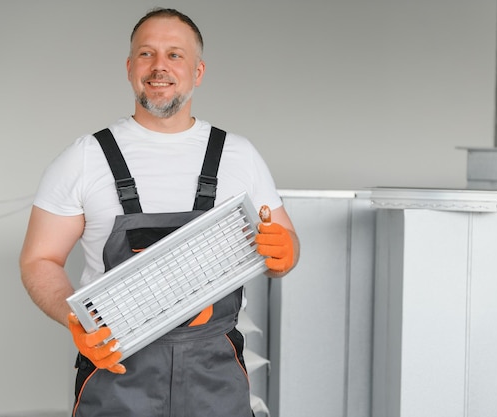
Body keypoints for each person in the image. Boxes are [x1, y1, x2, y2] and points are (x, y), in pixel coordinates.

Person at [19, 7, 299, 417]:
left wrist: (285, 251)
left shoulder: (239, 155)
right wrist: (74, 318)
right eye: (146, 54)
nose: (159, 66)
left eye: (175, 54)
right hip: (117, 377)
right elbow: (38, 259)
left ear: (198, 71)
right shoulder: (85, 158)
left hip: (215, 381)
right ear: (130, 67)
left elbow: (282, 250)